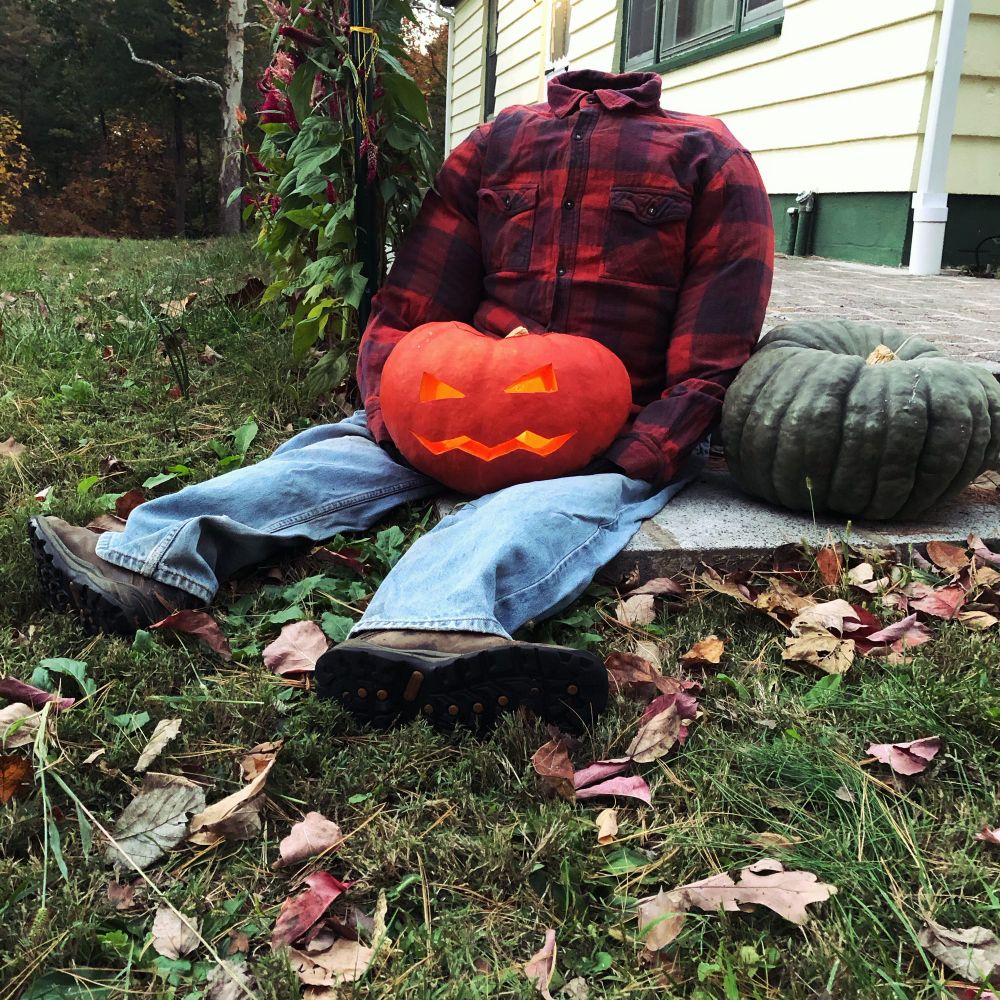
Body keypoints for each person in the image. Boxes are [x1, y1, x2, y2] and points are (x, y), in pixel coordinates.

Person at [29, 69, 773, 733]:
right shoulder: (499, 144)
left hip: (611, 423)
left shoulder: (706, 155)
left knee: (534, 510)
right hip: (465, 396)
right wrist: (395, 415)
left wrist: (642, 454)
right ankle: (147, 560)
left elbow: (717, 347)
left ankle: (427, 629)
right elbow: (412, 302)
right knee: (328, 462)